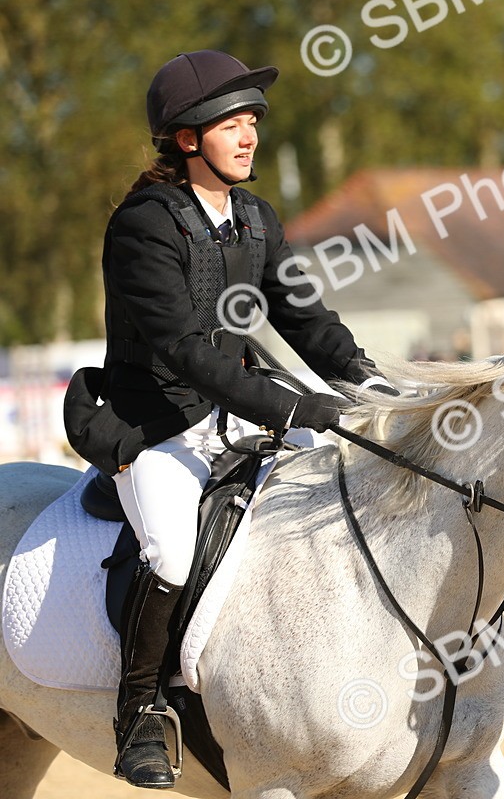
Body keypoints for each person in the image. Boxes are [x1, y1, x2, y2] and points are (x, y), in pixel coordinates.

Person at [66, 51, 388, 789]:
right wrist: (290, 404)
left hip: (232, 414)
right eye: (231, 124)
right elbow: (181, 349)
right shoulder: (143, 226)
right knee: (172, 552)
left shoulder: (254, 218)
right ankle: (142, 712)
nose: (248, 137)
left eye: (252, 124)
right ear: (186, 138)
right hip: (154, 423)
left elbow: (305, 320)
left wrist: (371, 383)